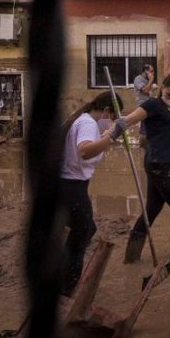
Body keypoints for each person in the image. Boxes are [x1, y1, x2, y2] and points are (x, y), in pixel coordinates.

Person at [108, 71, 170, 261]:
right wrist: (114, 131)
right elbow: (130, 119)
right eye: (169, 93)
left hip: (161, 163)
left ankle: (131, 256)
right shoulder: (152, 104)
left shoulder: (169, 109)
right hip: (161, 165)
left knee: (152, 209)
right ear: (162, 88)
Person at [57, 91, 121, 296]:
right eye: (112, 118)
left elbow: (90, 147)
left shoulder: (84, 120)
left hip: (69, 185)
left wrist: (107, 136)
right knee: (83, 231)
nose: (111, 122)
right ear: (106, 111)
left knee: (84, 230)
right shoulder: (88, 124)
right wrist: (111, 135)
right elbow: (85, 151)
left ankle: (62, 273)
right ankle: (67, 286)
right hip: (71, 187)